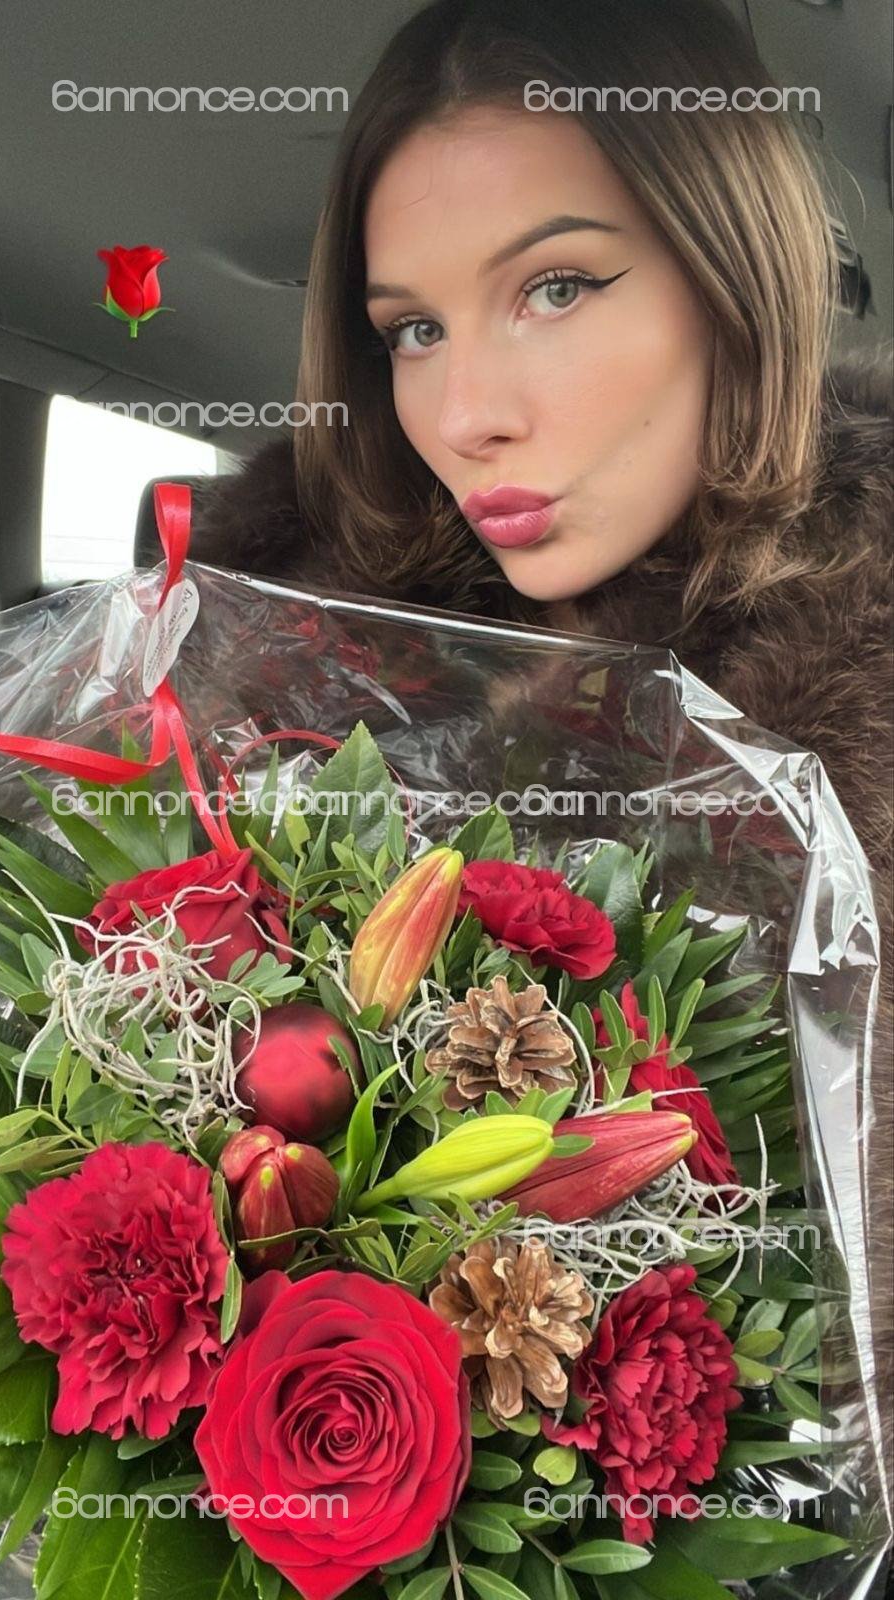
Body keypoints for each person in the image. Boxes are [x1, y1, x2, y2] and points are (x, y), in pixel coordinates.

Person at [195, 0, 892, 1493]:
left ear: (735, 275)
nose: (465, 413)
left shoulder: (864, 677)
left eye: (557, 288)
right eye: (414, 330)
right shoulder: (269, 695)